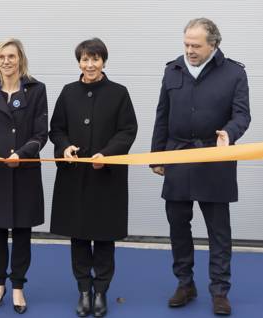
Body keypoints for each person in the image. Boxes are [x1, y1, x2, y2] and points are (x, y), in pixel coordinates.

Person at [150, 18, 251, 316]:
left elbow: (242, 115)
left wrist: (229, 133)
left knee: (218, 230)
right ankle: (185, 283)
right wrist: (158, 156)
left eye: (196, 45)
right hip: (178, 156)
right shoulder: (173, 70)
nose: (189, 50)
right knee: (178, 226)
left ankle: (220, 290)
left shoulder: (234, 73)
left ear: (213, 44)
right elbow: (162, 116)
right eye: (186, 44)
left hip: (215, 159)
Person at [50, 38, 138, 318]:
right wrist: (64, 147)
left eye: (95, 59)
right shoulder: (68, 92)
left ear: (103, 62)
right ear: (79, 62)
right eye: (85, 59)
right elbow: (56, 128)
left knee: (103, 237)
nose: (90, 65)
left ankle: (101, 291)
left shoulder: (119, 93)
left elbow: (127, 130)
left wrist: (107, 154)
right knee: (78, 236)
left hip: (106, 178)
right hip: (75, 177)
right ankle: (83, 290)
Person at [0, 38, 48, 315]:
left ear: (20, 59)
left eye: (11, 56)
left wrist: (22, 154)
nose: (6, 61)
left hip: (23, 170)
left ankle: (17, 287)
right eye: (1, 56)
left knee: (23, 232)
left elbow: (41, 134)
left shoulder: (36, 89)